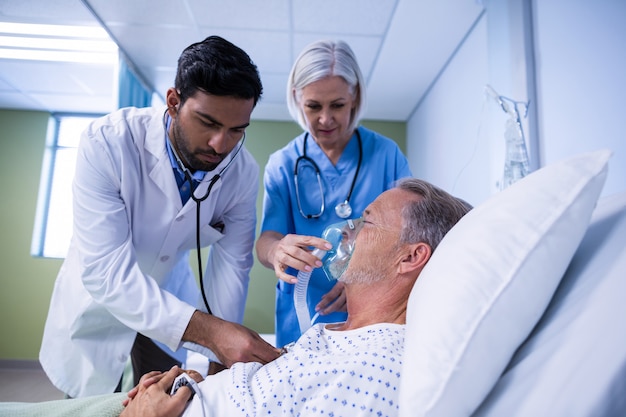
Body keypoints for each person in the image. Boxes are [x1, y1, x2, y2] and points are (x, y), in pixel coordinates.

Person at [39, 35, 281, 399]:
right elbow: (107, 272)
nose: (220, 144)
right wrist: (213, 333)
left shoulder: (241, 172)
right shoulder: (107, 143)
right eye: (208, 122)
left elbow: (232, 266)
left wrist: (220, 356)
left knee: (161, 402)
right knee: (89, 403)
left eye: (236, 130)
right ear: (173, 102)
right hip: (98, 302)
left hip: (169, 300)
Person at [119, 178, 472, 417]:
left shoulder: (377, 368)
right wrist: (200, 385)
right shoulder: (341, 335)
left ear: (411, 256)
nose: (346, 230)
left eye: (366, 222)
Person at [256, 39, 413, 347]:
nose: (325, 119)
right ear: (296, 98)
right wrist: (276, 251)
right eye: (313, 106)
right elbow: (266, 240)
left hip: (371, 307)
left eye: (337, 105)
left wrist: (363, 278)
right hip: (301, 315)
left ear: (354, 97)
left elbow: (408, 234)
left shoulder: (386, 155)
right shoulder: (283, 164)